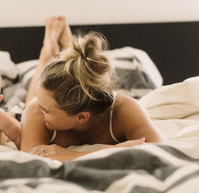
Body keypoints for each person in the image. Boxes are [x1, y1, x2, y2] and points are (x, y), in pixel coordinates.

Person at [20, 16, 166, 162]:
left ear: (82, 117)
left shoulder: (125, 110)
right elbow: (29, 160)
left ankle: (65, 51)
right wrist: (115, 150)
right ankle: (47, 55)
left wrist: (70, 155)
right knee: (28, 105)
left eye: (46, 110)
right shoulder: (34, 112)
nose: (38, 110)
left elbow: (161, 150)